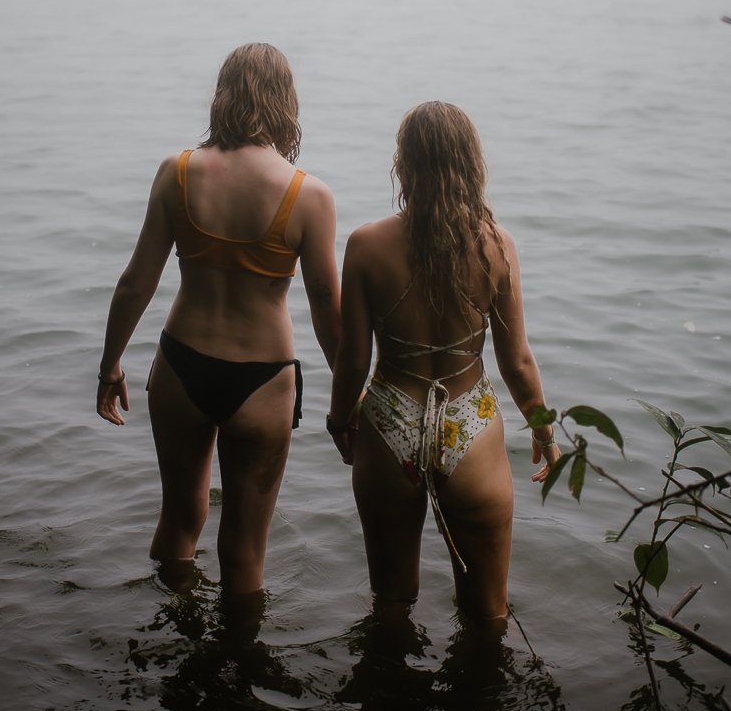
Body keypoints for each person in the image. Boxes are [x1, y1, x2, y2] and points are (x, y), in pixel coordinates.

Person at [96, 44, 341, 597]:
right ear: (286, 102)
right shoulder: (310, 196)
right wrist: (348, 399)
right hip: (262, 378)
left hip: (181, 365)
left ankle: (171, 634)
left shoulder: (177, 172)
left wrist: (110, 364)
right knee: (245, 550)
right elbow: (328, 310)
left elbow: (136, 282)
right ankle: (237, 669)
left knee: (178, 523)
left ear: (223, 95)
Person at [327, 101, 560, 627]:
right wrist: (543, 432)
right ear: (470, 165)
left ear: (403, 166)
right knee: (488, 613)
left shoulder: (366, 246)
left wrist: (340, 421)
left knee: (390, 605)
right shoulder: (495, 246)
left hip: (390, 420)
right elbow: (517, 361)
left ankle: (388, 700)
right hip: (468, 424)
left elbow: (352, 360)